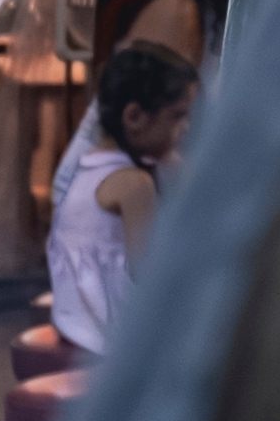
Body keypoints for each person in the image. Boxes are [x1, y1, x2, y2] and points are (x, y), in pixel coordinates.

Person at [43, 36, 189, 364]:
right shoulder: (134, 185)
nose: (185, 128)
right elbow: (151, 274)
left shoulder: (91, 164)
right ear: (135, 117)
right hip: (104, 339)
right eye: (177, 116)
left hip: (72, 320)